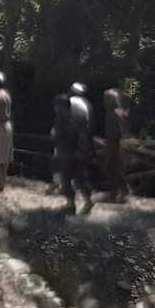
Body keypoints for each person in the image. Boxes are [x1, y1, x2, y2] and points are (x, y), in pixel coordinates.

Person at [62, 82, 95, 215]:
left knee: (65, 175)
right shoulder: (87, 105)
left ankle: (70, 205)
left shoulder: (70, 103)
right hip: (84, 143)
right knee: (80, 176)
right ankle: (88, 201)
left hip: (72, 143)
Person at [103, 88, 131, 203]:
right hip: (112, 143)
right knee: (112, 169)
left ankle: (122, 192)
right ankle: (115, 193)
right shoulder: (117, 112)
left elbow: (122, 131)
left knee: (113, 168)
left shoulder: (115, 113)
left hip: (115, 145)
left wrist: (121, 143)